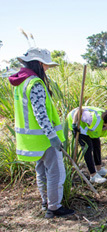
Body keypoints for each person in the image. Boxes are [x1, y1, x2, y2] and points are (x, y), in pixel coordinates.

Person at [9, 47, 74, 218]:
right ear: (38, 63)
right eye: (45, 65)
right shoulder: (35, 83)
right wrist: (52, 136)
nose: (46, 69)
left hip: (31, 140)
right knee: (56, 173)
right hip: (44, 139)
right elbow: (40, 113)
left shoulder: (20, 83)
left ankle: (46, 202)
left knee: (41, 171)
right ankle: (54, 207)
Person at [67, 106, 107, 183]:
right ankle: (93, 175)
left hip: (88, 126)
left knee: (96, 143)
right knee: (87, 147)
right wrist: (74, 124)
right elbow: (79, 110)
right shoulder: (93, 118)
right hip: (77, 120)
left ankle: (99, 169)